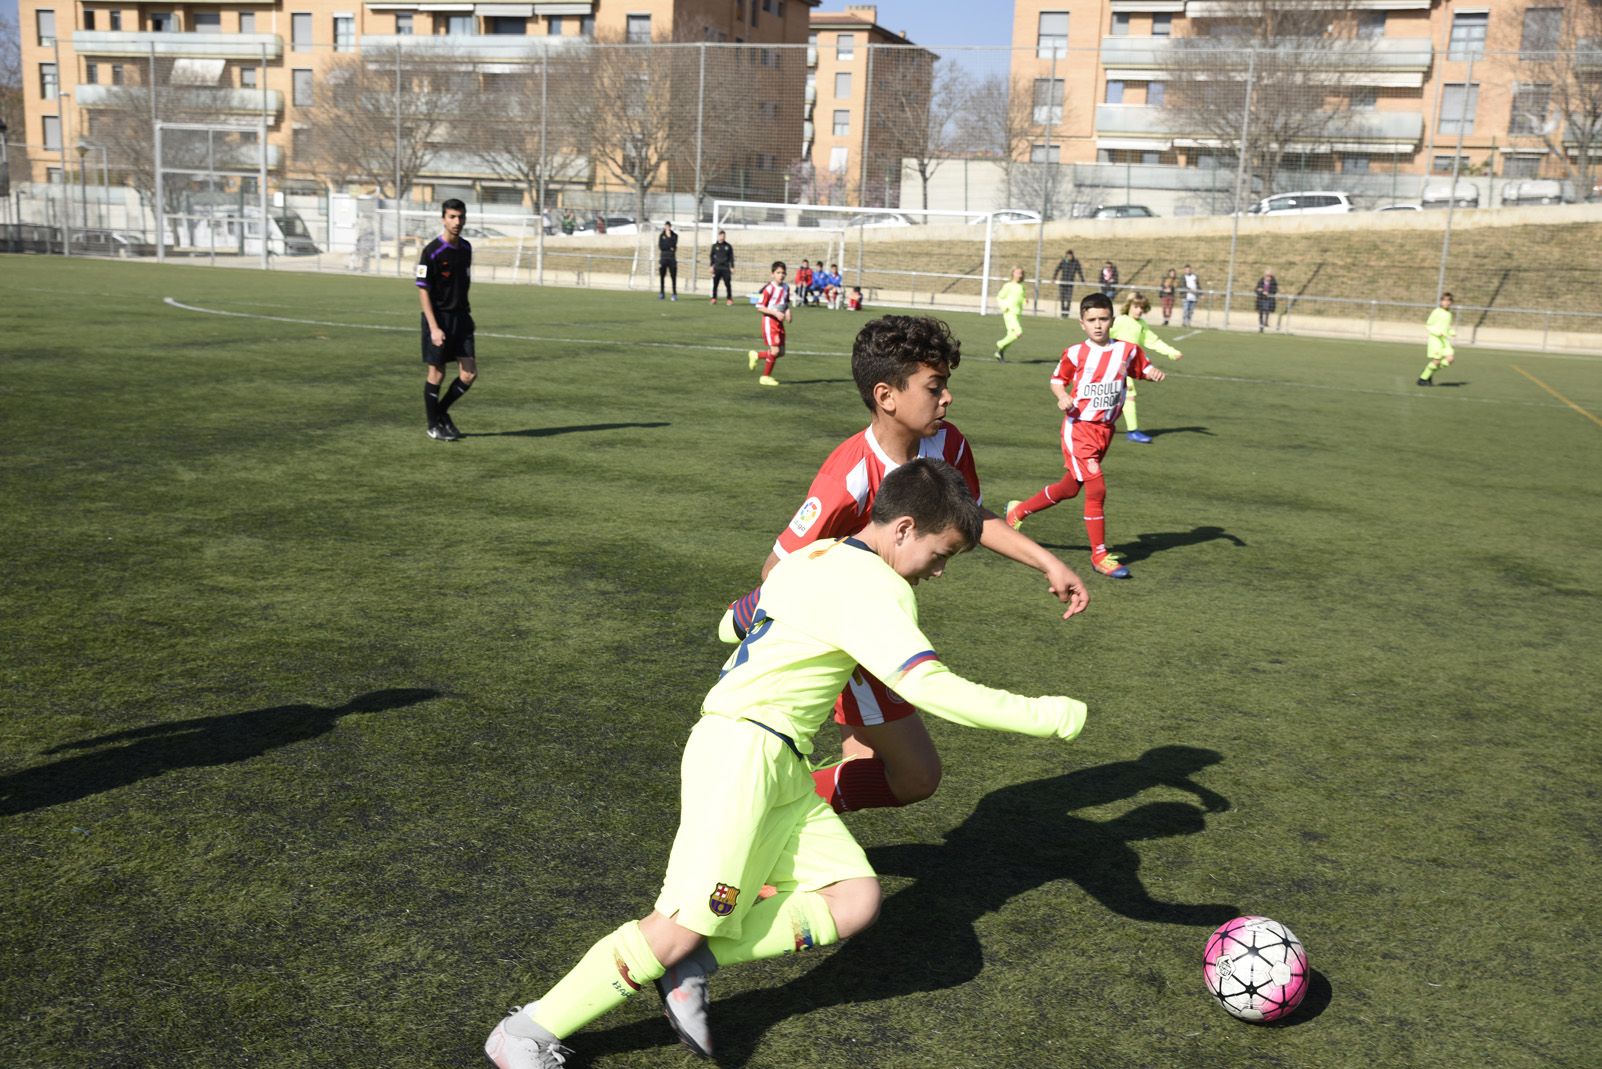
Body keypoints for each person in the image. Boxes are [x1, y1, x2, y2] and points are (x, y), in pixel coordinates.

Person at [482, 459, 1090, 1069]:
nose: (938, 570)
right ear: (903, 528)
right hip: (744, 755)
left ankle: (696, 960)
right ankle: (528, 1032)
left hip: (777, 760)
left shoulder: (815, 556)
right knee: (672, 928)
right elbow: (932, 689)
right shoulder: (876, 585)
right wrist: (1052, 714)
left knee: (853, 899)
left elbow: (733, 622)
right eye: (942, 554)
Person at [719, 315, 1090, 819]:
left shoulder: (950, 444)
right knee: (915, 775)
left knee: (865, 759)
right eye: (934, 387)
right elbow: (776, 569)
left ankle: (789, 840)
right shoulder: (846, 476)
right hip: (854, 632)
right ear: (886, 396)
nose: (947, 398)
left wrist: (1047, 562)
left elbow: (970, 515)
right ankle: (772, 813)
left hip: (883, 623)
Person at [1005, 292, 1167, 580]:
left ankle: (1018, 512)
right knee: (1096, 488)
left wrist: (1152, 372)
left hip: (1105, 431)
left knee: (1069, 488)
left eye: (1103, 319)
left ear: (1112, 321)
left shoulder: (1126, 350)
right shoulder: (1075, 353)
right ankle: (1100, 555)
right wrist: (1062, 397)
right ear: (1082, 323)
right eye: (1091, 320)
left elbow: (1141, 367)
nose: (1098, 325)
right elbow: (1057, 380)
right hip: (1078, 428)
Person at [416, 198, 476, 442]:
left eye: (460, 217)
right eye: (452, 217)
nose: (457, 222)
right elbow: (423, 289)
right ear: (443, 219)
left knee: (469, 374)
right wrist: (433, 327)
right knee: (437, 374)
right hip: (438, 319)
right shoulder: (431, 251)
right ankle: (433, 425)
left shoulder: (466, 248)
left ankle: (439, 412)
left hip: (461, 318)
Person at [1110, 293, 1182, 445]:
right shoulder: (1121, 321)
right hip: (1113, 365)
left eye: (1142, 308)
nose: (1139, 310)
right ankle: (1131, 431)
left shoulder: (1141, 324)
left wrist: (1171, 352)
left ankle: (1131, 431)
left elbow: (1153, 341)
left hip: (1126, 368)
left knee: (1126, 396)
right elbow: (1104, 335)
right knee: (1117, 396)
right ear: (1128, 306)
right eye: (1136, 307)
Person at [747, 261, 792, 387]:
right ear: (773, 274)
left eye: (783, 273)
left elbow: (786, 303)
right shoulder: (769, 289)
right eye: (778, 273)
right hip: (770, 321)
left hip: (779, 322)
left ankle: (756, 355)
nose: (781, 275)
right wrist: (775, 313)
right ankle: (765, 377)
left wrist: (788, 312)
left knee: (781, 352)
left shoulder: (786, 287)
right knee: (775, 350)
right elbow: (759, 307)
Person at [1417, 292, 1456, 386]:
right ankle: (1422, 379)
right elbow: (1428, 325)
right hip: (1435, 340)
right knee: (1436, 361)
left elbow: (1446, 326)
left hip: (1444, 340)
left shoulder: (1449, 313)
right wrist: (1437, 332)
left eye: (1449, 300)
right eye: (1444, 300)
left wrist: (1451, 332)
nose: (1447, 302)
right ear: (1441, 301)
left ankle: (1428, 372)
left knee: (1450, 359)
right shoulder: (1437, 311)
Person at [994, 266, 1027, 362]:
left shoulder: (1022, 286)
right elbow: (1000, 297)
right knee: (1018, 332)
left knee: (1012, 335)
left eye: (1021, 273)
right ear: (1013, 274)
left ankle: (999, 352)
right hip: (1009, 313)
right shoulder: (1008, 286)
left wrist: (1025, 300)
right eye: (1018, 273)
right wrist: (1004, 306)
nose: (1020, 275)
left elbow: (1021, 298)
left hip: (1017, 314)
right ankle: (1000, 343)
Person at [1051, 249, 1085, 318]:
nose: (1069, 257)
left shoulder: (1075, 262)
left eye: (1071, 255)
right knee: (1062, 299)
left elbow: (1079, 271)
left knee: (1069, 299)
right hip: (1062, 283)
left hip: (1070, 284)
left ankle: (1067, 313)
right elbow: (1057, 269)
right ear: (1066, 255)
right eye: (1068, 255)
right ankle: (1063, 313)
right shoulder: (1063, 262)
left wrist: (1082, 281)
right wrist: (1054, 278)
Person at [709, 229, 735, 306]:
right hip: (717, 268)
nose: (722, 237)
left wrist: (732, 267)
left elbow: (731, 257)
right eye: (721, 235)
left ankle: (729, 299)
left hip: (726, 268)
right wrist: (711, 266)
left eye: (723, 236)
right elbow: (711, 257)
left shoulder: (728, 246)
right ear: (718, 236)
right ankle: (714, 298)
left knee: (727, 284)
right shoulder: (714, 246)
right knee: (715, 284)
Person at [658, 221, 679, 301]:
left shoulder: (675, 235)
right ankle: (662, 293)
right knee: (662, 276)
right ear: (664, 227)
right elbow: (661, 246)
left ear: (670, 227)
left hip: (672, 258)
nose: (668, 228)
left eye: (669, 226)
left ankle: (674, 293)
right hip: (663, 258)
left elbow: (674, 245)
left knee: (673, 276)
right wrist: (669, 247)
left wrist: (669, 241)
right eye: (666, 226)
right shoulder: (661, 236)